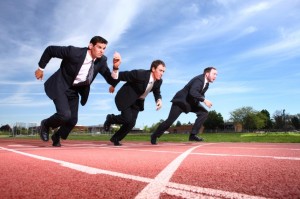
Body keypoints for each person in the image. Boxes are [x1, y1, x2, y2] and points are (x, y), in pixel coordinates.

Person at [34, 36, 121, 147]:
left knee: (72, 120)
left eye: (104, 48)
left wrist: (115, 68)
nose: (102, 51)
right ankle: (45, 124)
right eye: (99, 47)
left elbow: (110, 79)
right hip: (61, 84)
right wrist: (41, 68)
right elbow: (50, 50)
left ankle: (57, 136)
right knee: (65, 115)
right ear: (91, 46)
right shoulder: (73, 52)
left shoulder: (102, 61)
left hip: (74, 90)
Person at [104, 60, 166, 146]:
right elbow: (121, 75)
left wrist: (158, 100)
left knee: (131, 123)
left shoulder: (159, 81)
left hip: (137, 102)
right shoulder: (140, 74)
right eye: (160, 70)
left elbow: (157, 91)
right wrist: (113, 85)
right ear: (153, 69)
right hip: (125, 97)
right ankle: (110, 118)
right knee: (127, 118)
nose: (162, 73)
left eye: (163, 71)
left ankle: (116, 138)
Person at [150, 67, 217, 145]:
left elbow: (200, 94)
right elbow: (193, 92)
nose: (215, 76)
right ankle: (154, 135)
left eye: (216, 74)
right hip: (181, 102)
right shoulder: (199, 80)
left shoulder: (206, 84)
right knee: (169, 121)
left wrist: (203, 99)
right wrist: (204, 100)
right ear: (207, 74)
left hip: (191, 102)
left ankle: (193, 135)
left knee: (204, 113)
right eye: (214, 74)